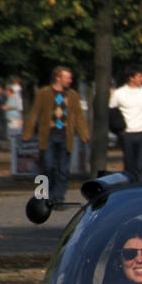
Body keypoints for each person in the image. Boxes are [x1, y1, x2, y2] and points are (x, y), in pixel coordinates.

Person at [24, 66, 89, 204]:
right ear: (58, 78)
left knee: (63, 169)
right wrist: (28, 132)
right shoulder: (44, 93)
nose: (70, 80)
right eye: (67, 78)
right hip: (49, 136)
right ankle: (46, 196)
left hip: (65, 135)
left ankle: (58, 198)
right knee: (48, 166)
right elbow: (35, 113)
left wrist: (84, 133)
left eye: (70, 78)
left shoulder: (72, 95)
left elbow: (78, 116)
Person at [109, 65, 142, 181]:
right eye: (139, 77)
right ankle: (131, 186)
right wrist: (119, 129)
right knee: (129, 163)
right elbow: (112, 111)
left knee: (141, 163)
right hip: (127, 133)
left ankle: (141, 186)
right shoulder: (119, 93)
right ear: (131, 78)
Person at [1, 77, 23, 142]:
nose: (6, 93)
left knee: (15, 134)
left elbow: (16, 105)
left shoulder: (16, 96)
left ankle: (16, 148)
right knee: (11, 134)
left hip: (15, 118)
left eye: (7, 91)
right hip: (10, 118)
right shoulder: (10, 97)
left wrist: (6, 107)